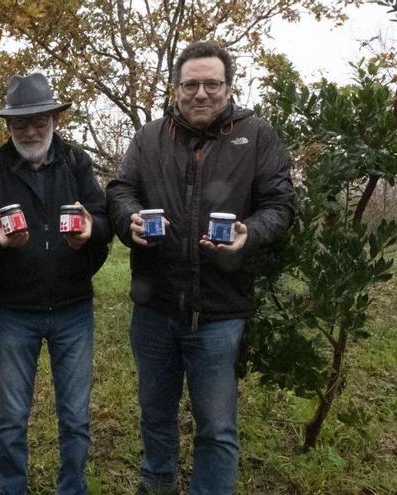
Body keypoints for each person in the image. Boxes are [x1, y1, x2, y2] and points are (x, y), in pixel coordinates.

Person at [107, 41, 294, 494]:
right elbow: (119, 189)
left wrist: (252, 232)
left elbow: (281, 205)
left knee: (216, 427)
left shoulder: (257, 136)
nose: (201, 93)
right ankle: (157, 486)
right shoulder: (149, 138)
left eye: (213, 84)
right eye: (191, 84)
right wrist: (127, 216)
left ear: (229, 87)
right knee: (155, 417)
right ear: (176, 90)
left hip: (221, 311)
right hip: (155, 307)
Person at [0, 73, 111, 494]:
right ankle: (11, 488)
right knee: (13, 414)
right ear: (8, 125)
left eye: (40, 121)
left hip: (73, 308)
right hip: (15, 310)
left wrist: (90, 232)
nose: (31, 131)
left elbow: (104, 220)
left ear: (54, 119)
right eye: (21, 123)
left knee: (75, 414)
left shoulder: (76, 161)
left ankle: (73, 487)